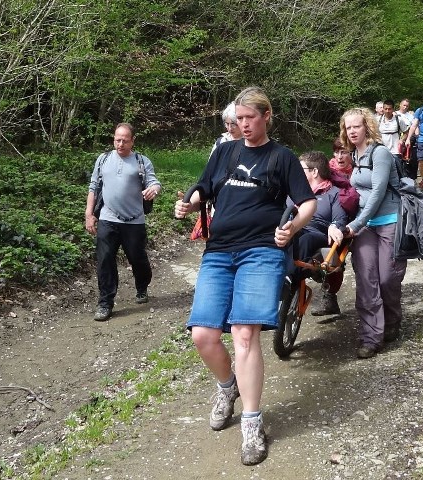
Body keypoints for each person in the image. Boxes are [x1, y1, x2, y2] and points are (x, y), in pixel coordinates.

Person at [174, 86, 316, 466]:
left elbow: (308, 203)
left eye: (250, 118)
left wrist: (293, 228)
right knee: (203, 335)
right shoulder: (224, 151)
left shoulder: (281, 157)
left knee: (243, 333)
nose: (243, 125)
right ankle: (227, 387)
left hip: (261, 252)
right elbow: (204, 187)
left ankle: (252, 424)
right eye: (239, 119)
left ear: (266, 116)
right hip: (219, 252)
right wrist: (189, 203)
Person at [331, 108, 407, 359]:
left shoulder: (381, 153)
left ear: (367, 127)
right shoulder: (354, 155)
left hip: (388, 221)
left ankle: (392, 319)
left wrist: (356, 223)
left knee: (387, 278)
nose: (352, 131)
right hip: (364, 226)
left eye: (357, 126)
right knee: (366, 279)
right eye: (348, 127)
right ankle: (371, 337)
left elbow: (377, 192)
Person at [85, 123, 162, 322]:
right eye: (117, 139)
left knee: (137, 259)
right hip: (107, 218)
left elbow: (154, 182)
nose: (120, 144)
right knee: (105, 260)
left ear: (132, 140)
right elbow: (93, 187)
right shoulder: (103, 160)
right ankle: (105, 303)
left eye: (125, 140)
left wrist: (154, 189)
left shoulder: (141, 161)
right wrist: (88, 214)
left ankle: (142, 285)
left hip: (134, 221)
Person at [291, 151, 348, 317]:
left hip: (317, 233)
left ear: (314, 171)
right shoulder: (294, 191)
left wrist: (334, 226)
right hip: (291, 228)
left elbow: (339, 218)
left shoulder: (333, 193)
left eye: (301, 169)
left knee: (305, 237)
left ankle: (292, 277)